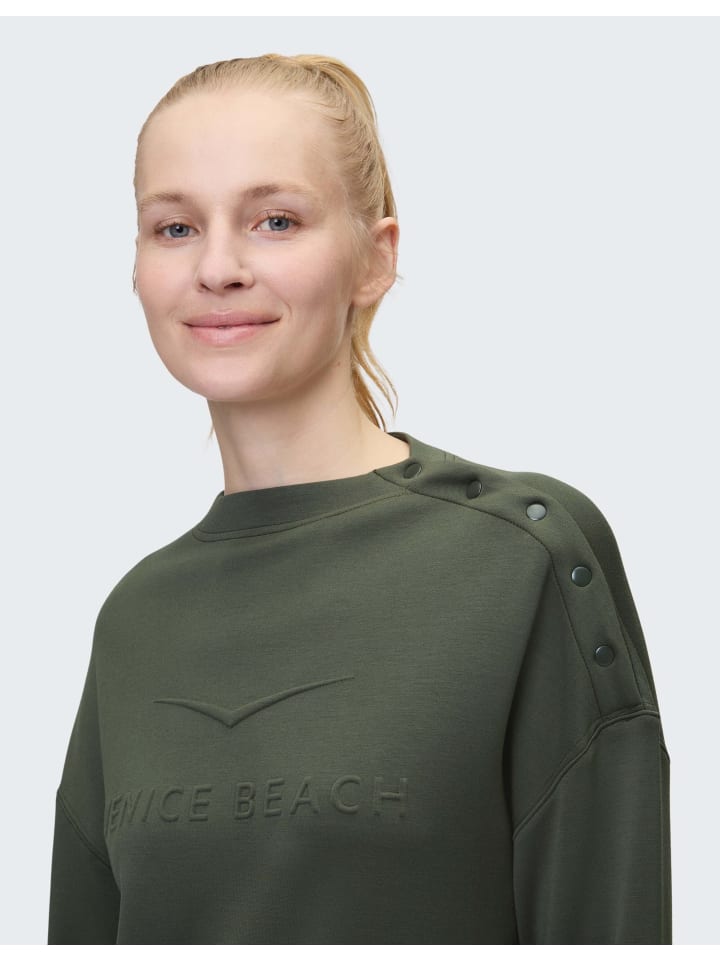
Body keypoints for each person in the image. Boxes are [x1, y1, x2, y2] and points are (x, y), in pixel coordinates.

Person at [47, 53, 672, 945]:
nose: (217, 267)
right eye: (175, 227)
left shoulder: (521, 555)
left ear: (375, 259)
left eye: (275, 220)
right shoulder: (135, 617)